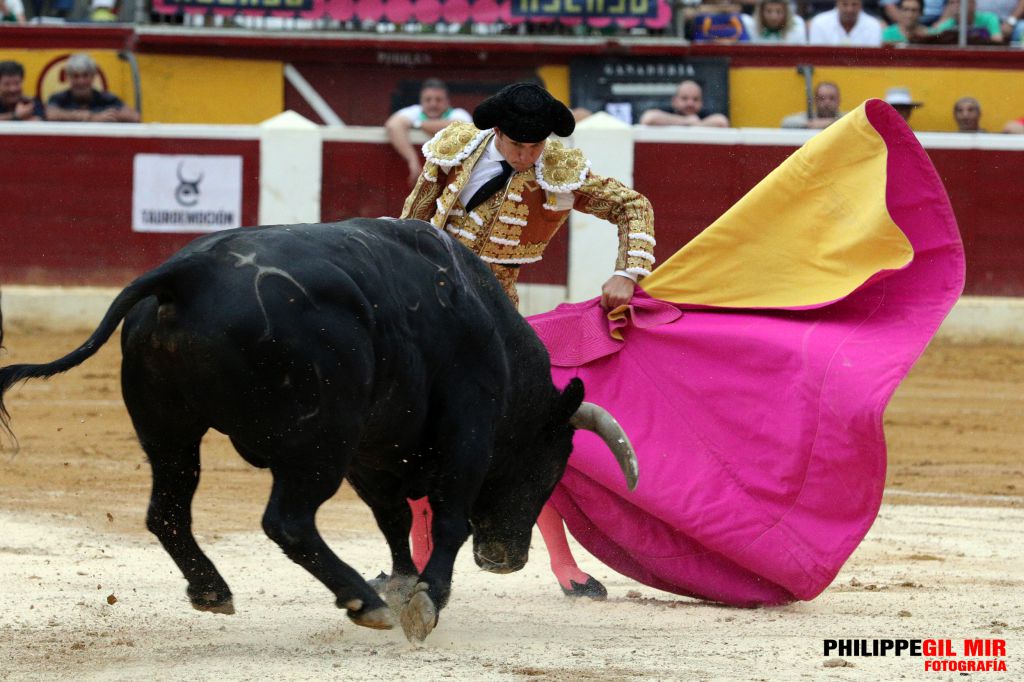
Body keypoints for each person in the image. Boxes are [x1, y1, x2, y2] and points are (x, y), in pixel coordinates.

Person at [399, 82, 656, 598]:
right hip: (428, 304)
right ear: (497, 133)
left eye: (537, 147)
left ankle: (564, 565)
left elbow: (634, 206)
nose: (529, 157)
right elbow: (412, 222)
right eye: (520, 147)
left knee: (523, 437)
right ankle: (414, 564)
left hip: (494, 314)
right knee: (411, 435)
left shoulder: (558, 169)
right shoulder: (453, 149)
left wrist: (628, 272)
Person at [385, 79, 472, 187]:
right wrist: (413, 161)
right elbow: (393, 125)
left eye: (438, 99)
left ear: (447, 102)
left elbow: (461, 126)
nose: (433, 104)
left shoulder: (458, 113)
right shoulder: (415, 111)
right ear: (421, 101)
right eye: (428, 100)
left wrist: (418, 125)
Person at [46, 54, 140, 123]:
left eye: (85, 75)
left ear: (93, 77)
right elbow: (50, 115)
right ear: (68, 78)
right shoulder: (59, 98)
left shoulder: (106, 98)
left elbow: (134, 116)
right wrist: (92, 117)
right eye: (76, 76)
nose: (81, 81)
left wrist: (106, 116)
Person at [638, 80, 730, 128]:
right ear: (674, 101)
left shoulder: (703, 114)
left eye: (695, 99)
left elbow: (722, 122)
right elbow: (648, 119)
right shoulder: (668, 111)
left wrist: (694, 124)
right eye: (684, 98)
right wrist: (686, 121)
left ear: (702, 103)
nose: (690, 103)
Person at [808, 0, 884, 46]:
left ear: (861, 5)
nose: (849, 10)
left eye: (854, 4)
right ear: (837, 3)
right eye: (845, 4)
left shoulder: (873, 25)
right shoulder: (819, 23)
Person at [929, 0, 1005, 41]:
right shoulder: (949, 23)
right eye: (952, 3)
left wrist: (980, 37)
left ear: (973, 3)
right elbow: (930, 35)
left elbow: (997, 39)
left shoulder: (989, 18)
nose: (956, 6)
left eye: (959, 2)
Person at [742, 0, 808, 43]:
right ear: (761, 12)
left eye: (779, 12)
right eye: (768, 11)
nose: (773, 17)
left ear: (786, 13)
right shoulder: (750, 26)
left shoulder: (797, 26)